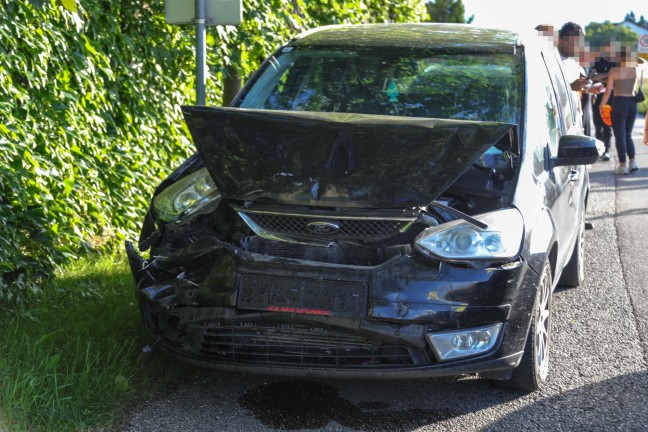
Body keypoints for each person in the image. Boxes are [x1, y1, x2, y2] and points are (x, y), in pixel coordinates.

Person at [556, 22, 604, 135]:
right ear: (561, 40)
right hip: (558, 125)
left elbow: (576, 88)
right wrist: (572, 87)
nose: (577, 47)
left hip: (574, 122)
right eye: (574, 43)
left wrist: (587, 88)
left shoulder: (574, 63)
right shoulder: (551, 61)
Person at [599, 45, 638, 174]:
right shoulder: (634, 69)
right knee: (628, 135)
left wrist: (602, 105)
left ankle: (623, 165)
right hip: (632, 103)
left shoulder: (614, 71)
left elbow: (608, 91)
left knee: (620, 136)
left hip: (619, 103)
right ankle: (632, 162)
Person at [590, 43, 617, 160]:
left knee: (607, 125)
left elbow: (615, 78)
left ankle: (606, 150)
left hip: (610, 98)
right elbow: (592, 77)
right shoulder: (596, 62)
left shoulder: (616, 63)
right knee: (597, 124)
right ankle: (598, 150)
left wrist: (601, 75)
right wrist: (608, 76)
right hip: (597, 97)